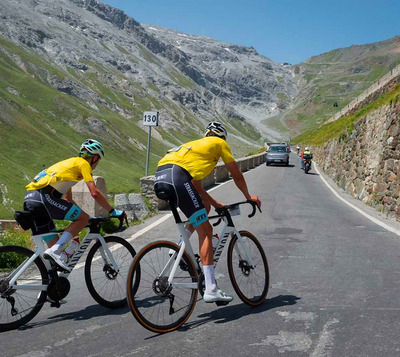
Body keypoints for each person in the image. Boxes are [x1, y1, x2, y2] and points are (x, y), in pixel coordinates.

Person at [154, 122, 261, 303]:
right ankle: (211, 288)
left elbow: (195, 186)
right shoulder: (219, 144)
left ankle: (180, 246)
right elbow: (235, 172)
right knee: (206, 230)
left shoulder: (196, 148)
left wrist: (214, 202)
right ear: (222, 137)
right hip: (177, 176)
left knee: (204, 208)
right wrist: (248, 196)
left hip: (161, 176)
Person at [24, 139, 125, 271]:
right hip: (43, 199)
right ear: (94, 157)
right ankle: (55, 251)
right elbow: (94, 193)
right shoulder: (83, 164)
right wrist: (112, 211)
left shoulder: (70, 167)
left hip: (31, 199)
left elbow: (68, 199)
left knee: (55, 254)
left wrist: (85, 217)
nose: (97, 163)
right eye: (99, 159)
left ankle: (50, 282)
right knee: (78, 222)